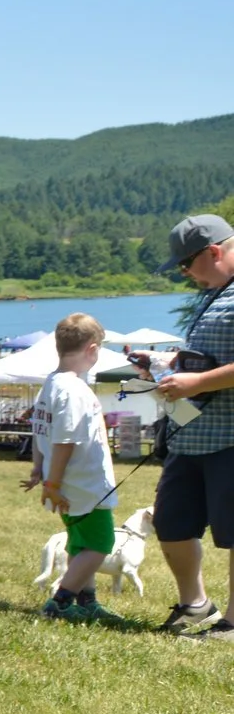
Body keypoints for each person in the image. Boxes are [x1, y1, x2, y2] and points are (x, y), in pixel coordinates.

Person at [152, 213, 234, 641]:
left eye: (186, 264)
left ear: (214, 252)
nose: (184, 273)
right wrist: (173, 365)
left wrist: (197, 381)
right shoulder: (214, 291)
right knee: (171, 522)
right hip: (191, 433)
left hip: (231, 437)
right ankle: (196, 604)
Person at [25, 312, 119, 623]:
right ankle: (60, 603)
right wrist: (51, 481)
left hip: (64, 483)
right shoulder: (74, 390)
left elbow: (40, 431)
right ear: (92, 349)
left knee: (79, 542)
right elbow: (64, 440)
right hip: (83, 484)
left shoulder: (51, 384)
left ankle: (86, 601)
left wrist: (40, 470)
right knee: (100, 542)